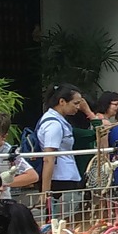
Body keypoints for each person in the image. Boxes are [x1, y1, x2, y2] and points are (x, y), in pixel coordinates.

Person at [38, 84, 86, 218]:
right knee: (61, 223)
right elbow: (49, 158)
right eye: (75, 103)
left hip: (65, 177)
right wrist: (45, 192)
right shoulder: (54, 125)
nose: (78, 107)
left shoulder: (59, 121)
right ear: (62, 102)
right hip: (60, 180)